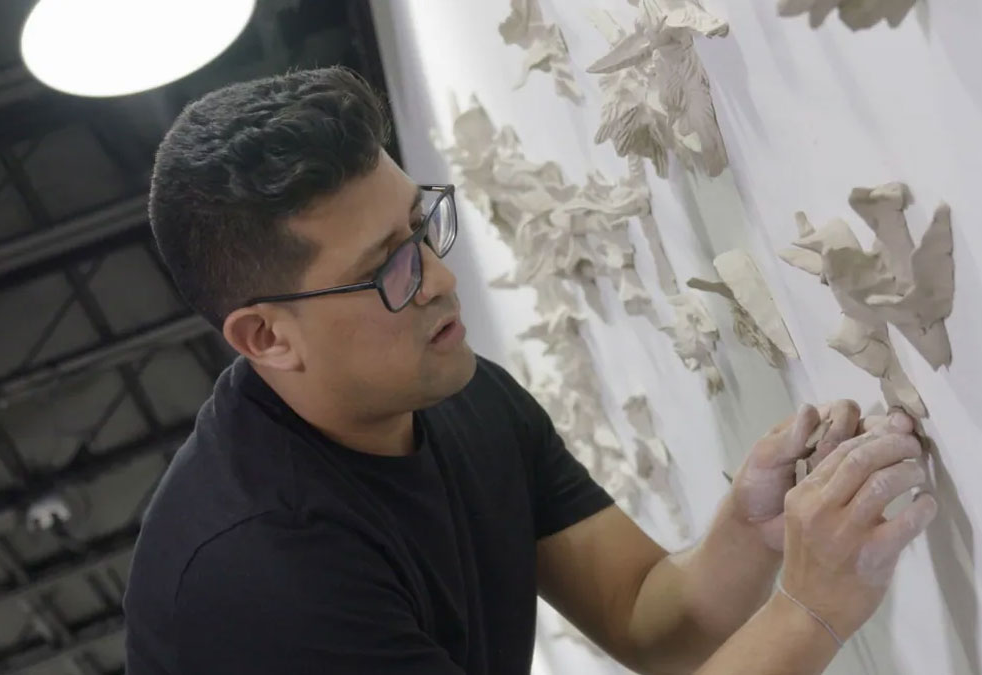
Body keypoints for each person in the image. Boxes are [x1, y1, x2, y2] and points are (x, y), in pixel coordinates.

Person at [124, 66, 938, 675]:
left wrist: (749, 532)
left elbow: (641, 612)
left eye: (422, 227)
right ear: (266, 336)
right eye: (389, 268)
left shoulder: (458, 393)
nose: (439, 278)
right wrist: (814, 608)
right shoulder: (254, 578)